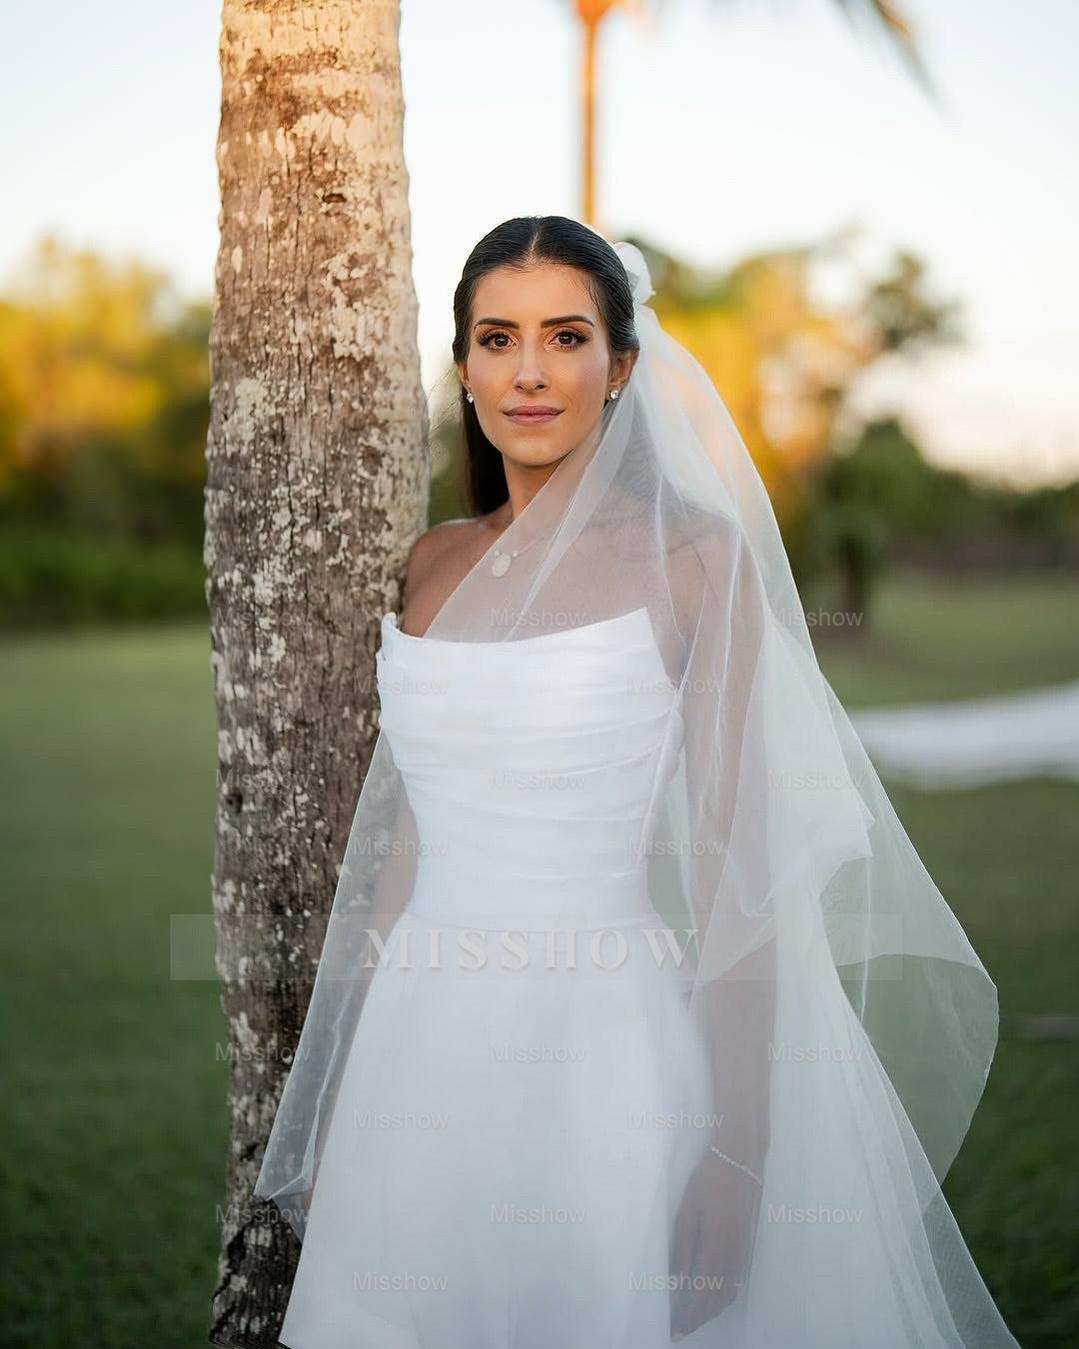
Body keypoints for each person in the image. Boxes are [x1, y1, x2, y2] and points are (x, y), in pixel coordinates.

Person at [253, 216, 1020, 1347]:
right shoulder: (429, 566)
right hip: (421, 1044)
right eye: (495, 338)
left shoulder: (692, 562)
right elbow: (401, 853)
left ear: (618, 367)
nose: (527, 371)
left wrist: (738, 1149)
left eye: (565, 336)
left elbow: (735, 870)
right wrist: (339, 1100)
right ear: (461, 367)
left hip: (600, 1036)